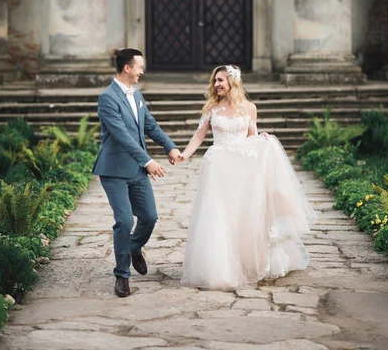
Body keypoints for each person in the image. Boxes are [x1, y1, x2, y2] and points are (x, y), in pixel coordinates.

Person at [178, 64, 316, 290]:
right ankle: (219, 268)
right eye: (214, 81)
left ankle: (245, 260)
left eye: (220, 80)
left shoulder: (249, 108)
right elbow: (198, 136)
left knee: (243, 214)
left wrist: (262, 138)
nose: (216, 85)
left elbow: (251, 136)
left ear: (232, 82)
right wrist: (184, 154)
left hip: (242, 169)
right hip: (218, 167)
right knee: (219, 215)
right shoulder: (211, 109)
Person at [93, 48, 180, 298]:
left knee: (150, 217)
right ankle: (122, 275)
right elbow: (122, 135)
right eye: (139, 67)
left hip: (137, 171)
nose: (142, 71)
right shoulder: (107, 98)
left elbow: (150, 125)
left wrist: (170, 147)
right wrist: (148, 160)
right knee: (123, 221)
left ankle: (133, 247)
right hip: (114, 170)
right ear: (127, 68)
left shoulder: (138, 95)